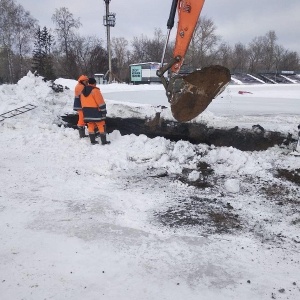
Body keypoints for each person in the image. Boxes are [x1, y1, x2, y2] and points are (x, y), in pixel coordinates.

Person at [80, 77, 110, 145]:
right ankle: (104, 141)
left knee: (90, 125)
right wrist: (103, 112)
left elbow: (82, 102)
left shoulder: (82, 92)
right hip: (96, 111)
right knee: (101, 124)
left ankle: (93, 141)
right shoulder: (95, 91)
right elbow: (101, 103)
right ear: (94, 83)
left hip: (86, 112)